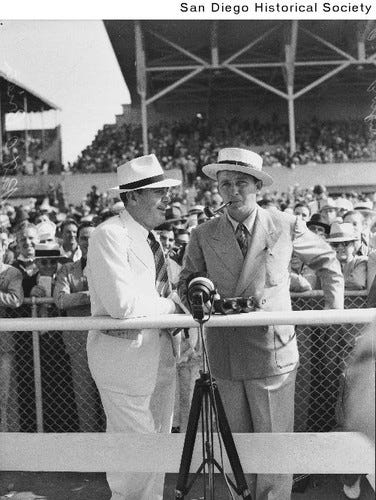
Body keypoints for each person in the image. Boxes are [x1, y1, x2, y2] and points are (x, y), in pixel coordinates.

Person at [178, 147, 344, 500]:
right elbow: (186, 280)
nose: (233, 191)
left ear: (258, 187)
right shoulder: (203, 234)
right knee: (237, 445)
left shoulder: (285, 224)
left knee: (273, 444)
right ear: (217, 189)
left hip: (273, 353)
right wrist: (197, 291)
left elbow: (328, 261)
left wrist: (335, 313)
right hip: (225, 351)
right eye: (225, 184)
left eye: (241, 183)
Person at [86, 154, 181, 500]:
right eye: (159, 192)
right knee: (135, 454)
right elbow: (121, 305)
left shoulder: (150, 238)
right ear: (133, 197)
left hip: (160, 357)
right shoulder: (108, 235)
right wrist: (173, 306)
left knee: (154, 448)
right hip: (124, 361)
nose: (166, 200)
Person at [54, 221, 103, 432]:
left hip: (106, 340)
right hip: (78, 343)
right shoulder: (67, 269)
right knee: (84, 398)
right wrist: (90, 296)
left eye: (93, 237)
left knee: (107, 398)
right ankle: (90, 451)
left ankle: (112, 448)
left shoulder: (109, 267)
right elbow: (61, 300)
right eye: (84, 238)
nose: (88, 242)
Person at [0, 235, 23, 431]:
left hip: (3, 344)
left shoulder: (11, 273)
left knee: (4, 394)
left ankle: (7, 435)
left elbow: (16, 299)